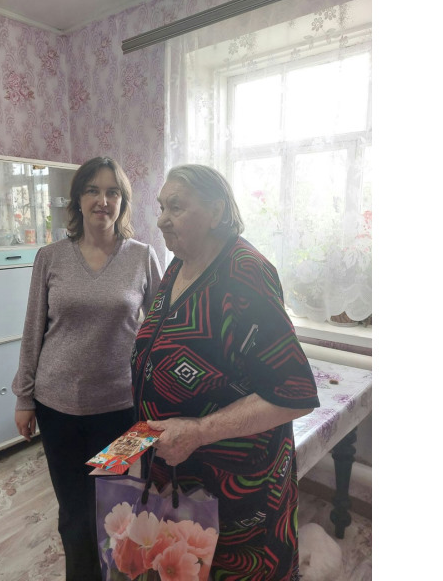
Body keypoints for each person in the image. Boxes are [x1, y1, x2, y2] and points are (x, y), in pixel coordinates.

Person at [131, 164, 320, 581]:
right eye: (161, 207)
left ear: (216, 212)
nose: (161, 219)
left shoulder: (244, 273)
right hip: (178, 475)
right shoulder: (177, 266)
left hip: (235, 492)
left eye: (176, 207)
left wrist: (198, 432)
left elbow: (293, 393)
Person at [12, 156, 162, 581]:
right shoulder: (51, 257)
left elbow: (161, 329)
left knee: (115, 509)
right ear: (77, 199)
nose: (103, 200)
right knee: (74, 514)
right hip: (57, 409)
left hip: (120, 411)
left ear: (123, 202)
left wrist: (159, 398)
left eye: (113, 192)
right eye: (93, 190)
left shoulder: (142, 256)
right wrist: (24, 397)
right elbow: (33, 330)